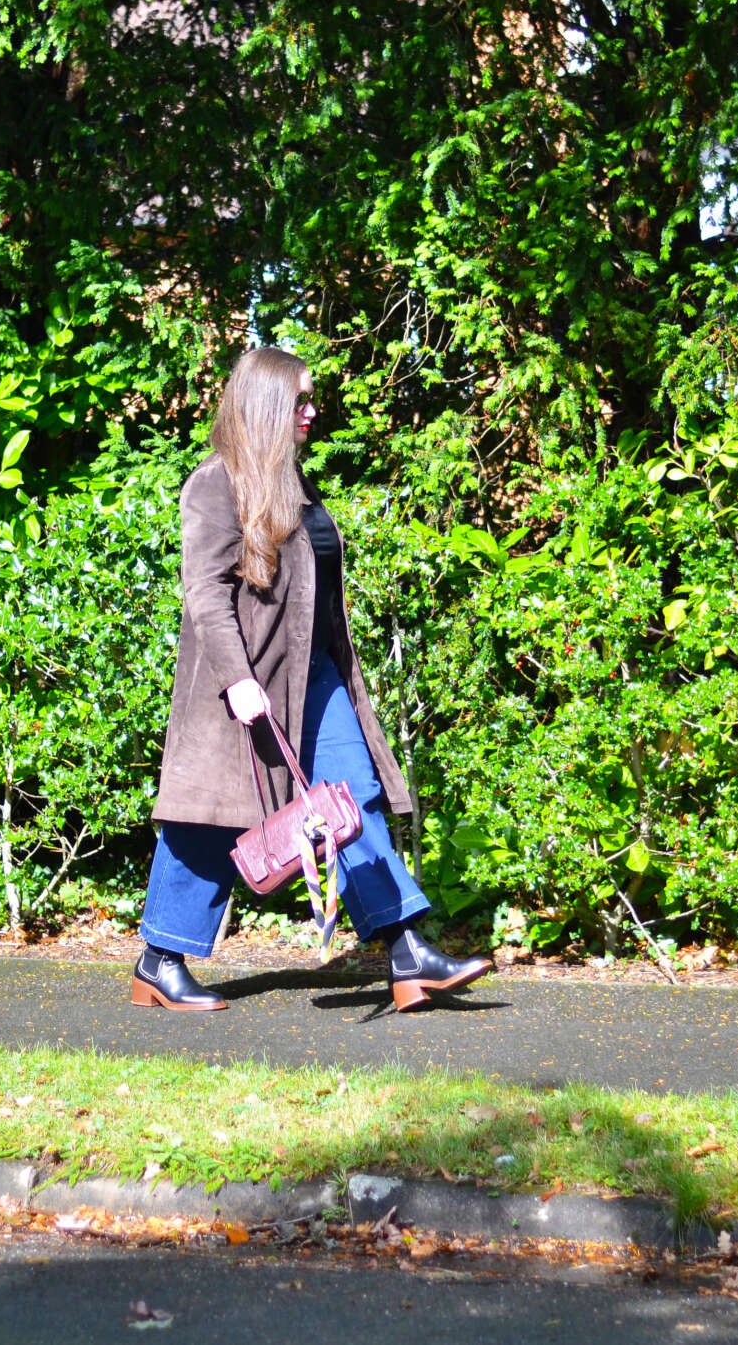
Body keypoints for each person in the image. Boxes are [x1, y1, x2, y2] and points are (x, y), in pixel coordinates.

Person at [132, 345, 492, 1013]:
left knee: (352, 803)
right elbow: (205, 592)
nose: (312, 411)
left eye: (311, 399)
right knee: (210, 820)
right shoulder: (215, 482)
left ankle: (408, 952)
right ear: (267, 405)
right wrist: (238, 678)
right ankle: (159, 957)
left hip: (316, 678)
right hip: (241, 685)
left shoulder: (294, 482)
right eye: (300, 400)